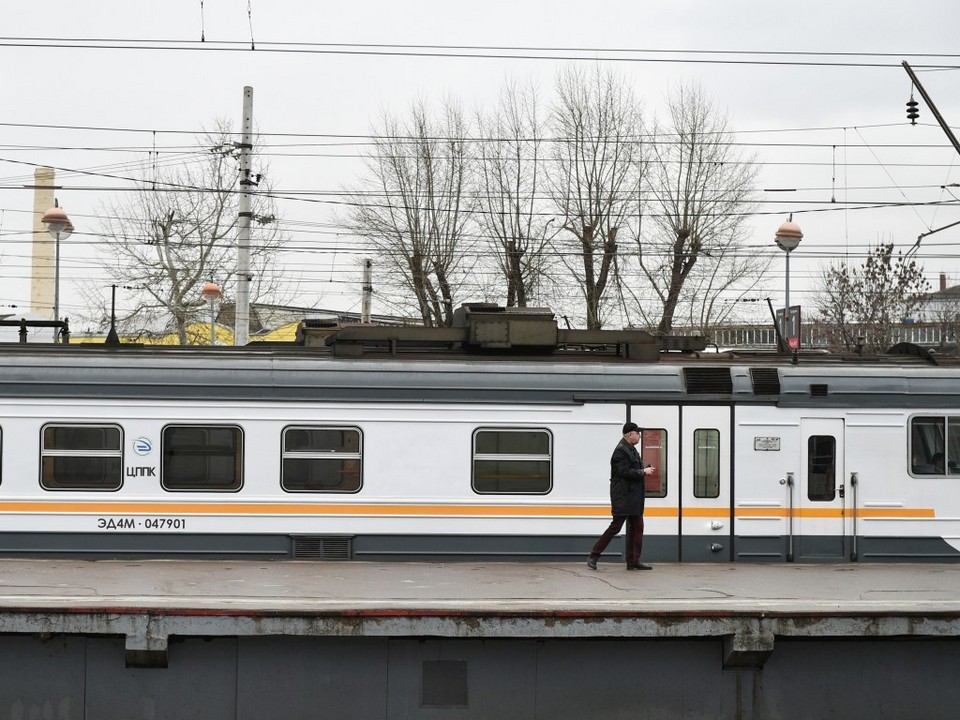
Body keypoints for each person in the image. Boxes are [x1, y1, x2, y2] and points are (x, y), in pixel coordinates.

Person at [587, 422, 655, 571]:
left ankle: (633, 561)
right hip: (624, 497)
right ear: (630, 434)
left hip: (633, 497)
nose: (639, 435)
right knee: (616, 527)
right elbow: (624, 472)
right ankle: (594, 555)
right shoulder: (621, 451)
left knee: (637, 528)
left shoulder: (631, 450)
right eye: (638, 433)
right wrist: (643, 472)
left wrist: (644, 469)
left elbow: (632, 470)